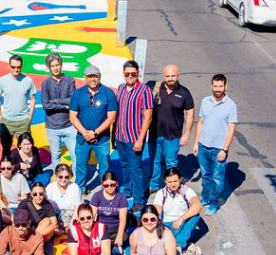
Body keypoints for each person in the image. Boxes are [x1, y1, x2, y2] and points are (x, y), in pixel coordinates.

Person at [192, 73, 237, 216]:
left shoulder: (231, 105)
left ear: (225, 86)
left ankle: (213, 202)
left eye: (220, 86)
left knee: (217, 178)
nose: (218, 89)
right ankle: (205, 197)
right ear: (211, 86)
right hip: (203, 145)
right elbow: (200, 123)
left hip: (219, 148)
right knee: (206, 175)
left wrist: (225, 149)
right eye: (215, 86)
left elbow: (231, 130)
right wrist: (196, 143)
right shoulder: (206, 101)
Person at [68, 65, 118, 191]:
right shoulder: (78, 93)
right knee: (80, 166)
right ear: (85, 78)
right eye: (90, 76)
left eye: (95, 76)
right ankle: (80, 189)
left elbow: (111, 118)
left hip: (102, 140)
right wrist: (85, 133)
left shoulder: (108, 93)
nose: (92, 79)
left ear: (99, 77)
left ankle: (106, 190)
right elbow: (73, 116)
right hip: (82, 138)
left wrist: (95, 133)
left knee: (105, 166)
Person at [148, 64, 194, 194]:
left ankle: (173, 186)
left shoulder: (184, 92)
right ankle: (154, 185)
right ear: (164, 76)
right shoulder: (155, 89)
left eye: (173, 76)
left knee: (171, 163)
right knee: (155, 162)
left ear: (178, 75)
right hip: (155, 134)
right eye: (167, 76)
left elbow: (190, 112)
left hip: (173, 136)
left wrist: (187, 133)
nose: (170, 78)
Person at [114, 59, 153, 207]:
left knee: (135, 168)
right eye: (127, 74)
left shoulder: (145, 91)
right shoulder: (121, 88)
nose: (130, 76)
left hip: (134, 137)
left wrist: (140, 139)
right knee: (124, 165)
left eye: (133, 74)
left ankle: (139, 199)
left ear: (138, 74)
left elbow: (148, 117)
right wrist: (114, 135)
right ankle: (128, 190)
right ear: (123, 74)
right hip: (121, 136)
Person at [150, 167, 203, 255]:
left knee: (195, 215)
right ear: (165, 182)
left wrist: (181, 219)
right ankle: (185, 244)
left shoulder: (186, 191)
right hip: (168, 226)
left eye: (175, 181)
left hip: (183, 224)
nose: (173, 184)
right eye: (170, 182)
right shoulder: (161, 193)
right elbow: (157, 212)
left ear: (180, 179)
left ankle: (178, 246)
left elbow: (197, 205)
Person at [39, 52, 77, 172]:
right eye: (53, 66)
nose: (55, 68)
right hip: (52, 127)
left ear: (61, 65)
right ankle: (58, 182)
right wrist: (65, 106)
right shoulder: (45, 83)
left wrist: (55, 101)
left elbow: (73, 100)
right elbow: (46, 105)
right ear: (49, 67)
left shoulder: (70, 80)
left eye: (57, 65)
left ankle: (77, 183)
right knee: (55, 157)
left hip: (69, 125)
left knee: (75, 155)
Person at [0, 55, 35, 156]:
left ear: (22, 66)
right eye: (13, 67)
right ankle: (6, 169)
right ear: (9, 66)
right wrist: (0, 117)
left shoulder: (28, 80)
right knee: (6, 149)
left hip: (23, 121)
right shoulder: (2, 81)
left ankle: (24, 170)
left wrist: (29, 117)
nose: (16, 69)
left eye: (18, 67)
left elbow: (33, 98)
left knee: (25, 150)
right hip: (7, 121)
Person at [89, 170, 128, 254]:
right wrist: (90, 232)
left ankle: (107, 243)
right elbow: (91, 215)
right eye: (106, 185)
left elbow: (123, 219)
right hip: (101, 227)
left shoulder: (122, 197)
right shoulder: (97, 196)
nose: (109, 187)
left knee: (124, 236)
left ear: (117, 183)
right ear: (102, 185)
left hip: (115, 228)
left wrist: (119, 236)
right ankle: (109, 244)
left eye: (112, 185)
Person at [16, 181, 62, 246]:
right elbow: (17, 220)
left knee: (47, 221)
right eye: (35, 194)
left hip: (41, 234)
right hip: (26, 231)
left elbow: (54, 224)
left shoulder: (47, 205)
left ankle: (32, 243)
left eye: (41, 194)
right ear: (31, 194)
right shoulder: (25, 203)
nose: (38, 196)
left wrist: (37, 236)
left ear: (44, 193)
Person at [46, 163, 82, 228]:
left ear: (70, 176)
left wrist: (71, 225)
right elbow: (47, 208)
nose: (63, 179)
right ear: (56, 176)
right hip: (54, 217)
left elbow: (77, 209)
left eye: (66, 177)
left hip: (71, 216)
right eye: (60, 177)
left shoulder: (75, 187)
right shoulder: (50, 188)